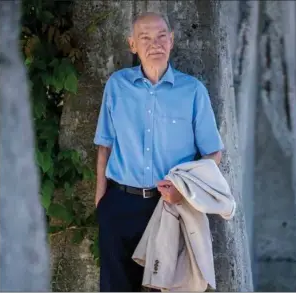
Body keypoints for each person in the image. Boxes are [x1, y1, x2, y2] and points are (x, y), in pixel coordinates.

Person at [93, 12, 224, 292]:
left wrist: (185, 193)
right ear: (132, 44)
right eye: (145, 38)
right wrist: (101, 200)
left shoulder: (193, 91)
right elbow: (104, 144)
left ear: (172, 40)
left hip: (169, 206)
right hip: (119, 204)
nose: (155, 44)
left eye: (161, 36)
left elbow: (213, 154)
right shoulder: (117, 85)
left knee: (167, 288)